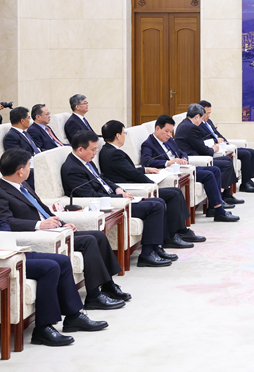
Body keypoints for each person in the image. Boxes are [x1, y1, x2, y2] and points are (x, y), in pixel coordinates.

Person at [0, 148, 128, 310]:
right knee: (89, 241)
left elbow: (42, 208)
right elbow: (6, 221)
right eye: (27, 166)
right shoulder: (2, 191)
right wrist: (39, 225)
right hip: (40, 234)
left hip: (53, 229)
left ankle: (108, 285)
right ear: (20, 171)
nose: (29, 170)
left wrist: (61, 223)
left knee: (98, 236)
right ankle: (94, 296)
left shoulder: (23, 184)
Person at [62, 131, 173, 268]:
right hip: (109, 204)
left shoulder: (86, 161)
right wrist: (119, 198)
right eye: (93, 150)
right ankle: (147, 254)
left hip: (113, 197)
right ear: (80, 149)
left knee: (159, 201)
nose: (95, 153)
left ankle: (155, 248)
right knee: (155, 207)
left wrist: (117, 189)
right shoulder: (72, 169)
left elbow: (102, 178)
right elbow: (90, 195)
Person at [1, 203, 107, 346]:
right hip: (5, 261)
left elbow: (4, 224)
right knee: (50, 267)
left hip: (9, 252)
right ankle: (43, 329)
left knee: (63, 261)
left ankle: (73, 317)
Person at [99, 120, 203, 249]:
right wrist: (151, 183)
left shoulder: (110, 151)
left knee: (175, 192)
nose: (125, 136)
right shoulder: (114, 153)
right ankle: (172, 235)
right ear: (118, 136)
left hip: (130, 182)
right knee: (173, 194)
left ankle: (182, 230)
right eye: (124, 133)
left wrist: (144, 170)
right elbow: (132, 174)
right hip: (130, 187)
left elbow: (127, 170)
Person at [141, 115, 237, 222]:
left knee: (215, 170)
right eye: (166, 131)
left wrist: (183, 158)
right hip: (172, 172)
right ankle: (219, 211)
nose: (169, 135)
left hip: (183, 167)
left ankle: (212, 208)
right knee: (208, 175)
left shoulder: (169, 140)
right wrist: (168, 162)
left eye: (171, 132)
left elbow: (182, 152)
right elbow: (146, 162)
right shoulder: (148, 144)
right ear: (158, 128)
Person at [175, 104, 241, 204]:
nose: (201, 121)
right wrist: (213, 149)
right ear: (197, 116)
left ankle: (226, 194)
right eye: (201, 118)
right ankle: (221, 196)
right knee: (226, 164)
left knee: (227, 159)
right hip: (195, 159)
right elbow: (202, 150)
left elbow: (199, 145)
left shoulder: (185, 124)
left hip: (197, 155)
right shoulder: (191, 128)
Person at [198, 100, 254, 192]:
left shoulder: (208, 122)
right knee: (246, 154)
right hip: (218, 148)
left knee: (252, 152)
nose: (209, 116)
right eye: (207, 113)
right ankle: (244, 184)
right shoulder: (198, 125)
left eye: (210, 113)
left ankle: (248, 180)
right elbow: (204, 141)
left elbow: (217, 133)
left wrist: (225, 141)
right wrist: (216, 141)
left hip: (224, 145)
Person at [2, 106, 41, 189]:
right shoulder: (11, 136)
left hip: (37, 160)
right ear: (22, 121)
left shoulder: (25, 133)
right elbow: (18, 158)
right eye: (28, 118)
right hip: (28, 166)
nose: (30, 120)